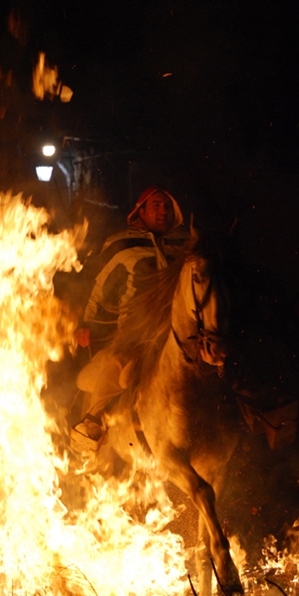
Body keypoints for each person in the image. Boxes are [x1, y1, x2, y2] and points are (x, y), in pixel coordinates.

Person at [71, 187, 190, 452]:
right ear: (141, 212)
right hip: (136, 330)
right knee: (120, 365)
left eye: (167, 207)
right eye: (156, 205)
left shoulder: (185, 246)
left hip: (181, 329)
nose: (163, 211)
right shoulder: (121, 244)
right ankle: (95, 421)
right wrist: (86, 323)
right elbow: (99, 286)